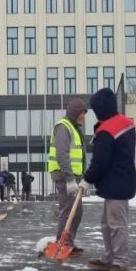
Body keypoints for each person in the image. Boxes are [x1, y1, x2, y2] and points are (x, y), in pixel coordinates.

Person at [84, 88, 136, 271]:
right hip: (118, 182)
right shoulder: (124, 123)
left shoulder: (108, 131)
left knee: (117, 225)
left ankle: (121, 262)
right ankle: (108, 259)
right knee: (107, 224)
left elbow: (100, 162)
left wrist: (87, 179)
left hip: (117, 184)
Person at [48, 98, 87, 255]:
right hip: (65, 176)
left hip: (73, 176)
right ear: (74, 113)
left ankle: (67, 242)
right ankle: (62, 243)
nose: (84, 116)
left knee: (76, 211)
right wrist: (70, 178)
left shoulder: (74, 128)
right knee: (68, 210)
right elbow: (62, 154)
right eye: (81, 113)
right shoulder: (64, 127)